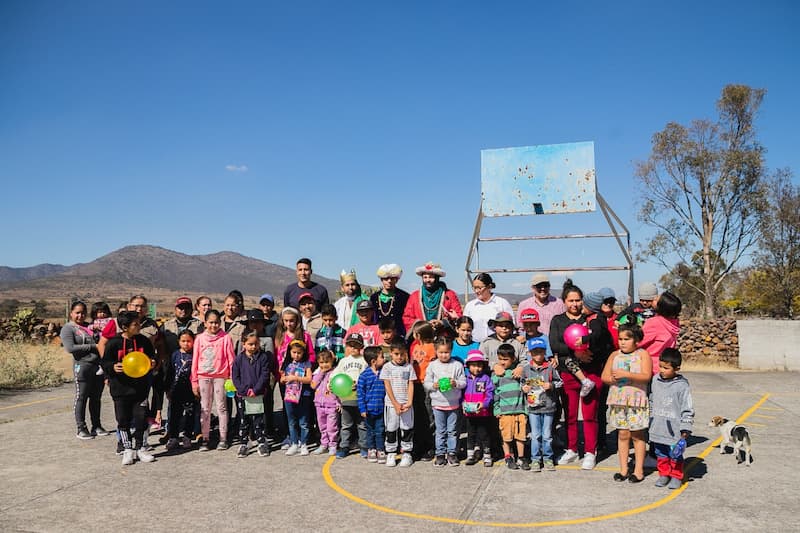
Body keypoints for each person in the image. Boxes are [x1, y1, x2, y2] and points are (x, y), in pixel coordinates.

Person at [549, 281, 613, 471]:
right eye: (571, 301)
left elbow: (604, 342)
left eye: (578, 300)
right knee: (569, 415)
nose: (575, 304)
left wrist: (588, 350)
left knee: (589, 415)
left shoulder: (592, 319)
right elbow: (555, 345)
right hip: (568, 374)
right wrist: (575, 351)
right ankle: (572, 448)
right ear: (564, 301)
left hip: (591, 373)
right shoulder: (558, 320)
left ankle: (590, 452)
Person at [100, 311, 157, 465]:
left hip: (140, 389)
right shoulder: (113, 343)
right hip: (120, 390)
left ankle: (141, 448)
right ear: (125, 327)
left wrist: (152, 362)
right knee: (123, 420)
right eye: (135, 324)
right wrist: (112, 367)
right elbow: (104, 362)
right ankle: (127, 449)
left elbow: (152, 357)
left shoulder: (144, 341)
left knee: (141, 419)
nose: (139, 326)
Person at [602, 323, 652, 483]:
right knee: (622, 434)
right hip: (618, 400)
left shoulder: (643, 355)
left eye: (627, 339)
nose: (622, 342)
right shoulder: (614, 355)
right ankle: (623, 469)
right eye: (620, 339)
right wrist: (613, 379)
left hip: (636, 401)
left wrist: (627, 374)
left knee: (637, 434)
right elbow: (604, 376)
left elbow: (646, 376)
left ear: (636, 340)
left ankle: (638, 470)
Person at [61, 301, 107, 440]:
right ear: (71, 313)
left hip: (97, 366)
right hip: (82, 366)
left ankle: (96, 425)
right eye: (77, 312)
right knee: (82, 397)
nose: (80, 315)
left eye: (83, 312)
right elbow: (70, 348)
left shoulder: (90, 326)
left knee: (96, 398)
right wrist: (93, 346)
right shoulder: (68, 328)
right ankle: (81, 428)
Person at [191, 309, 235, 451]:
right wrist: (194, 381)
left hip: (220, 377)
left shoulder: (225, 338)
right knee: (205, 408)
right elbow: (195, 360)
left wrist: (232, 378)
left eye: (216, 322)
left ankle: (223, 438)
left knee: (222, 407)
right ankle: (205, 438)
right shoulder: (199, 338)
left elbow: (231, 359)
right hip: (203, 376)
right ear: (205, 323)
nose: (214, 325)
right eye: (211, 322)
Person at [650, 348, 694, 489]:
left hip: (674, 431)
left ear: (677, 368)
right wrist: (650, 418)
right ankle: (664, 474)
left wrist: (685, 427)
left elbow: (687, 407)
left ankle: (676, 476)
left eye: (666, 368)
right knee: (660, 453)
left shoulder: (682, 386)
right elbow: (652, 399)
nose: (661, 370)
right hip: (657, 427)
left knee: (675, 455)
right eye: (660, 366)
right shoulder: (655, 380)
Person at [424, 337, 467, 466]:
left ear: (451, 351)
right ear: (436, 351)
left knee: (452, 430)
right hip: (438, 404)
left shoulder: (457, 365)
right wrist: (434, 385)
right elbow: (426, 383)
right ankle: (440, 453)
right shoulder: (432, 365)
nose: (444, 355)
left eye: (446, 352)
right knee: (440, 430)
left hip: (453, 404)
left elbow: (463, 382)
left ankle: (452, 453)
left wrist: (456, 383)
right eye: (441, 352)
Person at [522, 337, 562, 472]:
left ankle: (548, 458)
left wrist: (551, 385)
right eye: (535, 352)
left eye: (540, 352)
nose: (538, 355)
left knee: (547, 435)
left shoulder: (550, 368)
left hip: (548, 406)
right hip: (533, 408)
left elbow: (559, 382)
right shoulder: (526, 369)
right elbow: (522, 382)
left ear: (545, 352)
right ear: (530, 353)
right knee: (535, 435)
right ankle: (535, 459)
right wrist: (524, 388)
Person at [232, 331, 272, 458]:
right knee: (244, 420)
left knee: (258, 419)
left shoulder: (263, 357)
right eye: (250, 344)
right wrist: (244, 390)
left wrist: (256, 389)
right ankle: (244, 442)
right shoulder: (239, 359)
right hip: (243, 396)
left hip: (258, 395)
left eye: (256, 344)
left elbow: (265, 375)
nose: (253, 347)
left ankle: (261, 441)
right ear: (244, 344)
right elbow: (235, 377)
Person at [331, 333, 368, 458]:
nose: (353, 348)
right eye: (350, 345)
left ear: (361, 347)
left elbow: (367, 376)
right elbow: (335, 375)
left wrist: (359, 385)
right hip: (346, 399)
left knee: (362, 424)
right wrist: (330, 385)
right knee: (346, 425)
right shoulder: (343, 361)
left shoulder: (364, 361)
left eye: (356, 346)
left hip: (360, 399)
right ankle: (344, 446)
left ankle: (364, 446)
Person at [492, 344, 529, 470]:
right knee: (506, 436)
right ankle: (508, 456)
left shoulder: (518, 373)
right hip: (505, 411)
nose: (502, 362)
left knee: (521, 436)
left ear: (513, 359)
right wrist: (496, 409)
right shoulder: (497, 375)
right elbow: (495, 394)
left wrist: (525, 410)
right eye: (500, 359)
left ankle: (521, 457)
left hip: (519, 410)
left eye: (505, 359)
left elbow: (525, 389)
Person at [380, 339, 416, 468]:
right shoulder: (387, 367)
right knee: (391, 428)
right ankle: (391, 453)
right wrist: (395, 404)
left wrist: (409, 401)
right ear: (391, 353)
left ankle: (407, 452)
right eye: (396, 354)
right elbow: (387, 385)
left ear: (406, 353)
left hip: (406, 404)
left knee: (406, 428)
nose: (399, 357)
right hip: (391, 405)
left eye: (402, 354)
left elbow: (411, 384)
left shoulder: (409, 367)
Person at [402, 262, 462, 337]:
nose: (428, 280)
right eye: (425, 277)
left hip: (444, 340)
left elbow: (459, 315)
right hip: (421, 339)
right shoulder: (414, 296)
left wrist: (442, 323)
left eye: (431, 277)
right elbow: (407, 318)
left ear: (437, 278)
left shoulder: (449, 295)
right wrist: (423, 325)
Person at [164, 330, 198, 451]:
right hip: (176, 390)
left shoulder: (195, 355)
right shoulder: (175, 355)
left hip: (190, 391)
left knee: (190, 414)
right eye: (183, 341)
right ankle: (173, 437)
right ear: (179, 342)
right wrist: (167, 388)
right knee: (174, 415)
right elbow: (169, 373)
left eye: (189, 341)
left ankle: (187, 436)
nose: (186, 344)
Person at [409, 321, 436, 461]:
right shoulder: (416, 347)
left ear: (419, 334)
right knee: (418, 416)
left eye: (414, 333)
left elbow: (433, 367)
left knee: (428, 416)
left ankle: (429, 446)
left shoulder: (431, 348)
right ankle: (418, 445)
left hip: (426, 384)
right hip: (415, 384)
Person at [280, 339, 313, 456]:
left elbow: (309, 379)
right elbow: (282, 378)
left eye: (299, 353)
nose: (296, 355)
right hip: (290, 396)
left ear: (303, 353)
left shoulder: (306, 363)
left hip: (303, 395)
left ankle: (303, 444)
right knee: (291, 421)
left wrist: (296, 378)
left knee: (303, 422)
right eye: (294, 352)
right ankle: (294, 443)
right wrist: (284, 379)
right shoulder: (287, 363)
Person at [462, 350, 494, 467]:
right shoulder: (465, 379)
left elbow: (490, 393)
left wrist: (484, 404)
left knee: (484, 434)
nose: (477, 368)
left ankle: (487, 455)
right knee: (471, 434)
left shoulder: (486, 378)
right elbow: (461, 394)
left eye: (479, 365)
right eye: (474, 365)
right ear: (468, 366)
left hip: (483, 413)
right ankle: (470, 454)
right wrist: (463, 404)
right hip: (470, 414)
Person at [639, 291, 682, 374]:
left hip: (648, 368)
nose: (653, 299)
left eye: (656, 300)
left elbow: (638, 342)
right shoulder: (674, 323)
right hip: (663, 369)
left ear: (661, 307)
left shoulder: (654, 323)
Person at [463, 273, 514, 343]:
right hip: (475, 345)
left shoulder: (502, 303)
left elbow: (512, 326)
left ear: (489, 287)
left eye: (479, 288)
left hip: (498, 346)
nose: (476, 291)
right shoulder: (470, 306)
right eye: (474, 288)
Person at [357, 346, 387, 464]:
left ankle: (380, 449)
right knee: (370, 431)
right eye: (382, 357)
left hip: (381, 408)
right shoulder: (364, 375)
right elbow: (360, 393)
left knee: (380, 430)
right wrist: (362, 408)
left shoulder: (384, 373)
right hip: (369, 409)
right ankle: (371, 449)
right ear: (373, 361)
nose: (384, 359)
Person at [515, 274, 566, 340]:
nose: (543, 289)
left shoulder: (560, 304)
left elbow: (565, 324)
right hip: (531, 345)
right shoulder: (524, 305)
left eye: (546, 285)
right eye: (539, 286)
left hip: (554, 344)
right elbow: (520, 328)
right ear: (533, 288)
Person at [310, 350, 340, 456]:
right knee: (322, 426)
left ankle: (333, 445)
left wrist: (338, 402)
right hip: (319, 404)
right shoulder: (317, 372)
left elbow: (338, 388)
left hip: (331, 404)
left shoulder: (335, 373)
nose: (324, 365)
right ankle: (324, 444)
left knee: (332, 427)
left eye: (327, 362)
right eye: (321, 363)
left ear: (332, 361)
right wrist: (321, 373)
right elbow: (313, 385)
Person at [370, 264, 410, 338]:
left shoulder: (404, 297)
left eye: (392, 278)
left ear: (397, 280)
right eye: (386, 279)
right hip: (379, 336)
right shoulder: (374, 298)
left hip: (398, 336)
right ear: (381, 280)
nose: (389, 281)